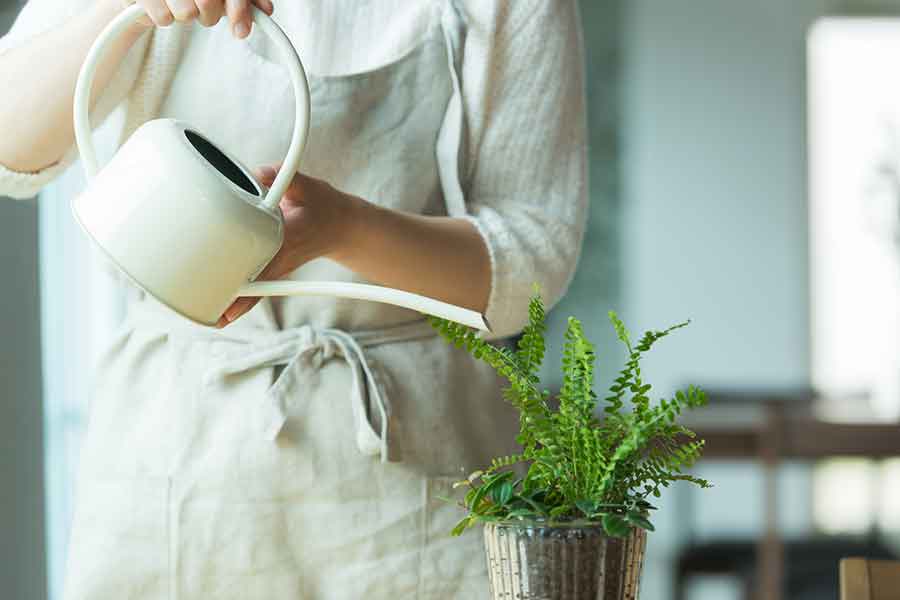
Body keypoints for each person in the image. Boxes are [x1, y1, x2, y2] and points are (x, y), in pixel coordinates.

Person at [0, 0, 588, 598]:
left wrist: (346, 229)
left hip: (418, 455)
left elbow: (534, 260)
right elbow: (9, 145)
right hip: (172, 445)